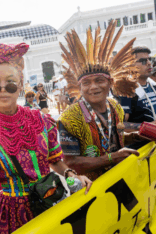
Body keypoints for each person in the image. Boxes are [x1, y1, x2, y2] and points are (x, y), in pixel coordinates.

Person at [0, 43, 91, 234]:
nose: (2, 89)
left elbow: (55, 161)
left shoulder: (41, 120)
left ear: (20, 85)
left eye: (10, 83)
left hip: (51, 199)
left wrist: (71, 175)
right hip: (14, 214)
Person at [58, 21, 144, 181]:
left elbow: (115, 135)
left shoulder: (115, 106)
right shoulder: (70, 118)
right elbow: (71, 163)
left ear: (110, 83)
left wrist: (141, 134)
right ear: (80, 86)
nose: (93, 87)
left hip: (121, 177)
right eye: (86, 83)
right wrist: (112, 158)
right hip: (91, 190)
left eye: (99, 80)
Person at [118, 46, 156, 133]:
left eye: (149, 59)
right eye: (143, 61)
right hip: (142, 144)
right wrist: (147, 126)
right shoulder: (126, 90)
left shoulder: (152, 85)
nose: (149, 63)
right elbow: (120, 125)